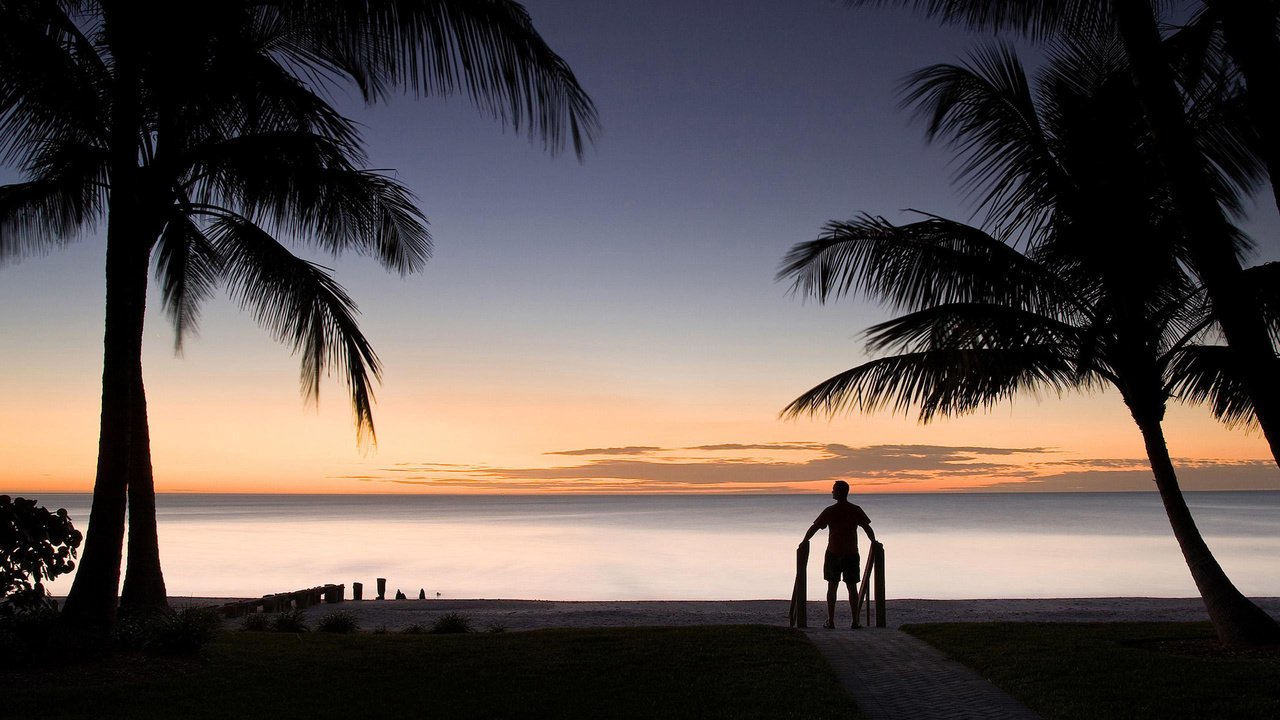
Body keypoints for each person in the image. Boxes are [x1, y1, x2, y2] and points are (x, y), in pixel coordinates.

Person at [800, 480, 876, 629]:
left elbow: (815, 527)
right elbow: (867, 528)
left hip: (834, 553)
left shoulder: (831, 510)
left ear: (840, 492)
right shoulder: (854, 509)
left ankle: (832, 620)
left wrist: (804, 540)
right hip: (850, 553)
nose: (832, 491)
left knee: (832, 586)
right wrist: (874, 541)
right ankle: (854, 620)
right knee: (851, 587)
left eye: (834, 489)